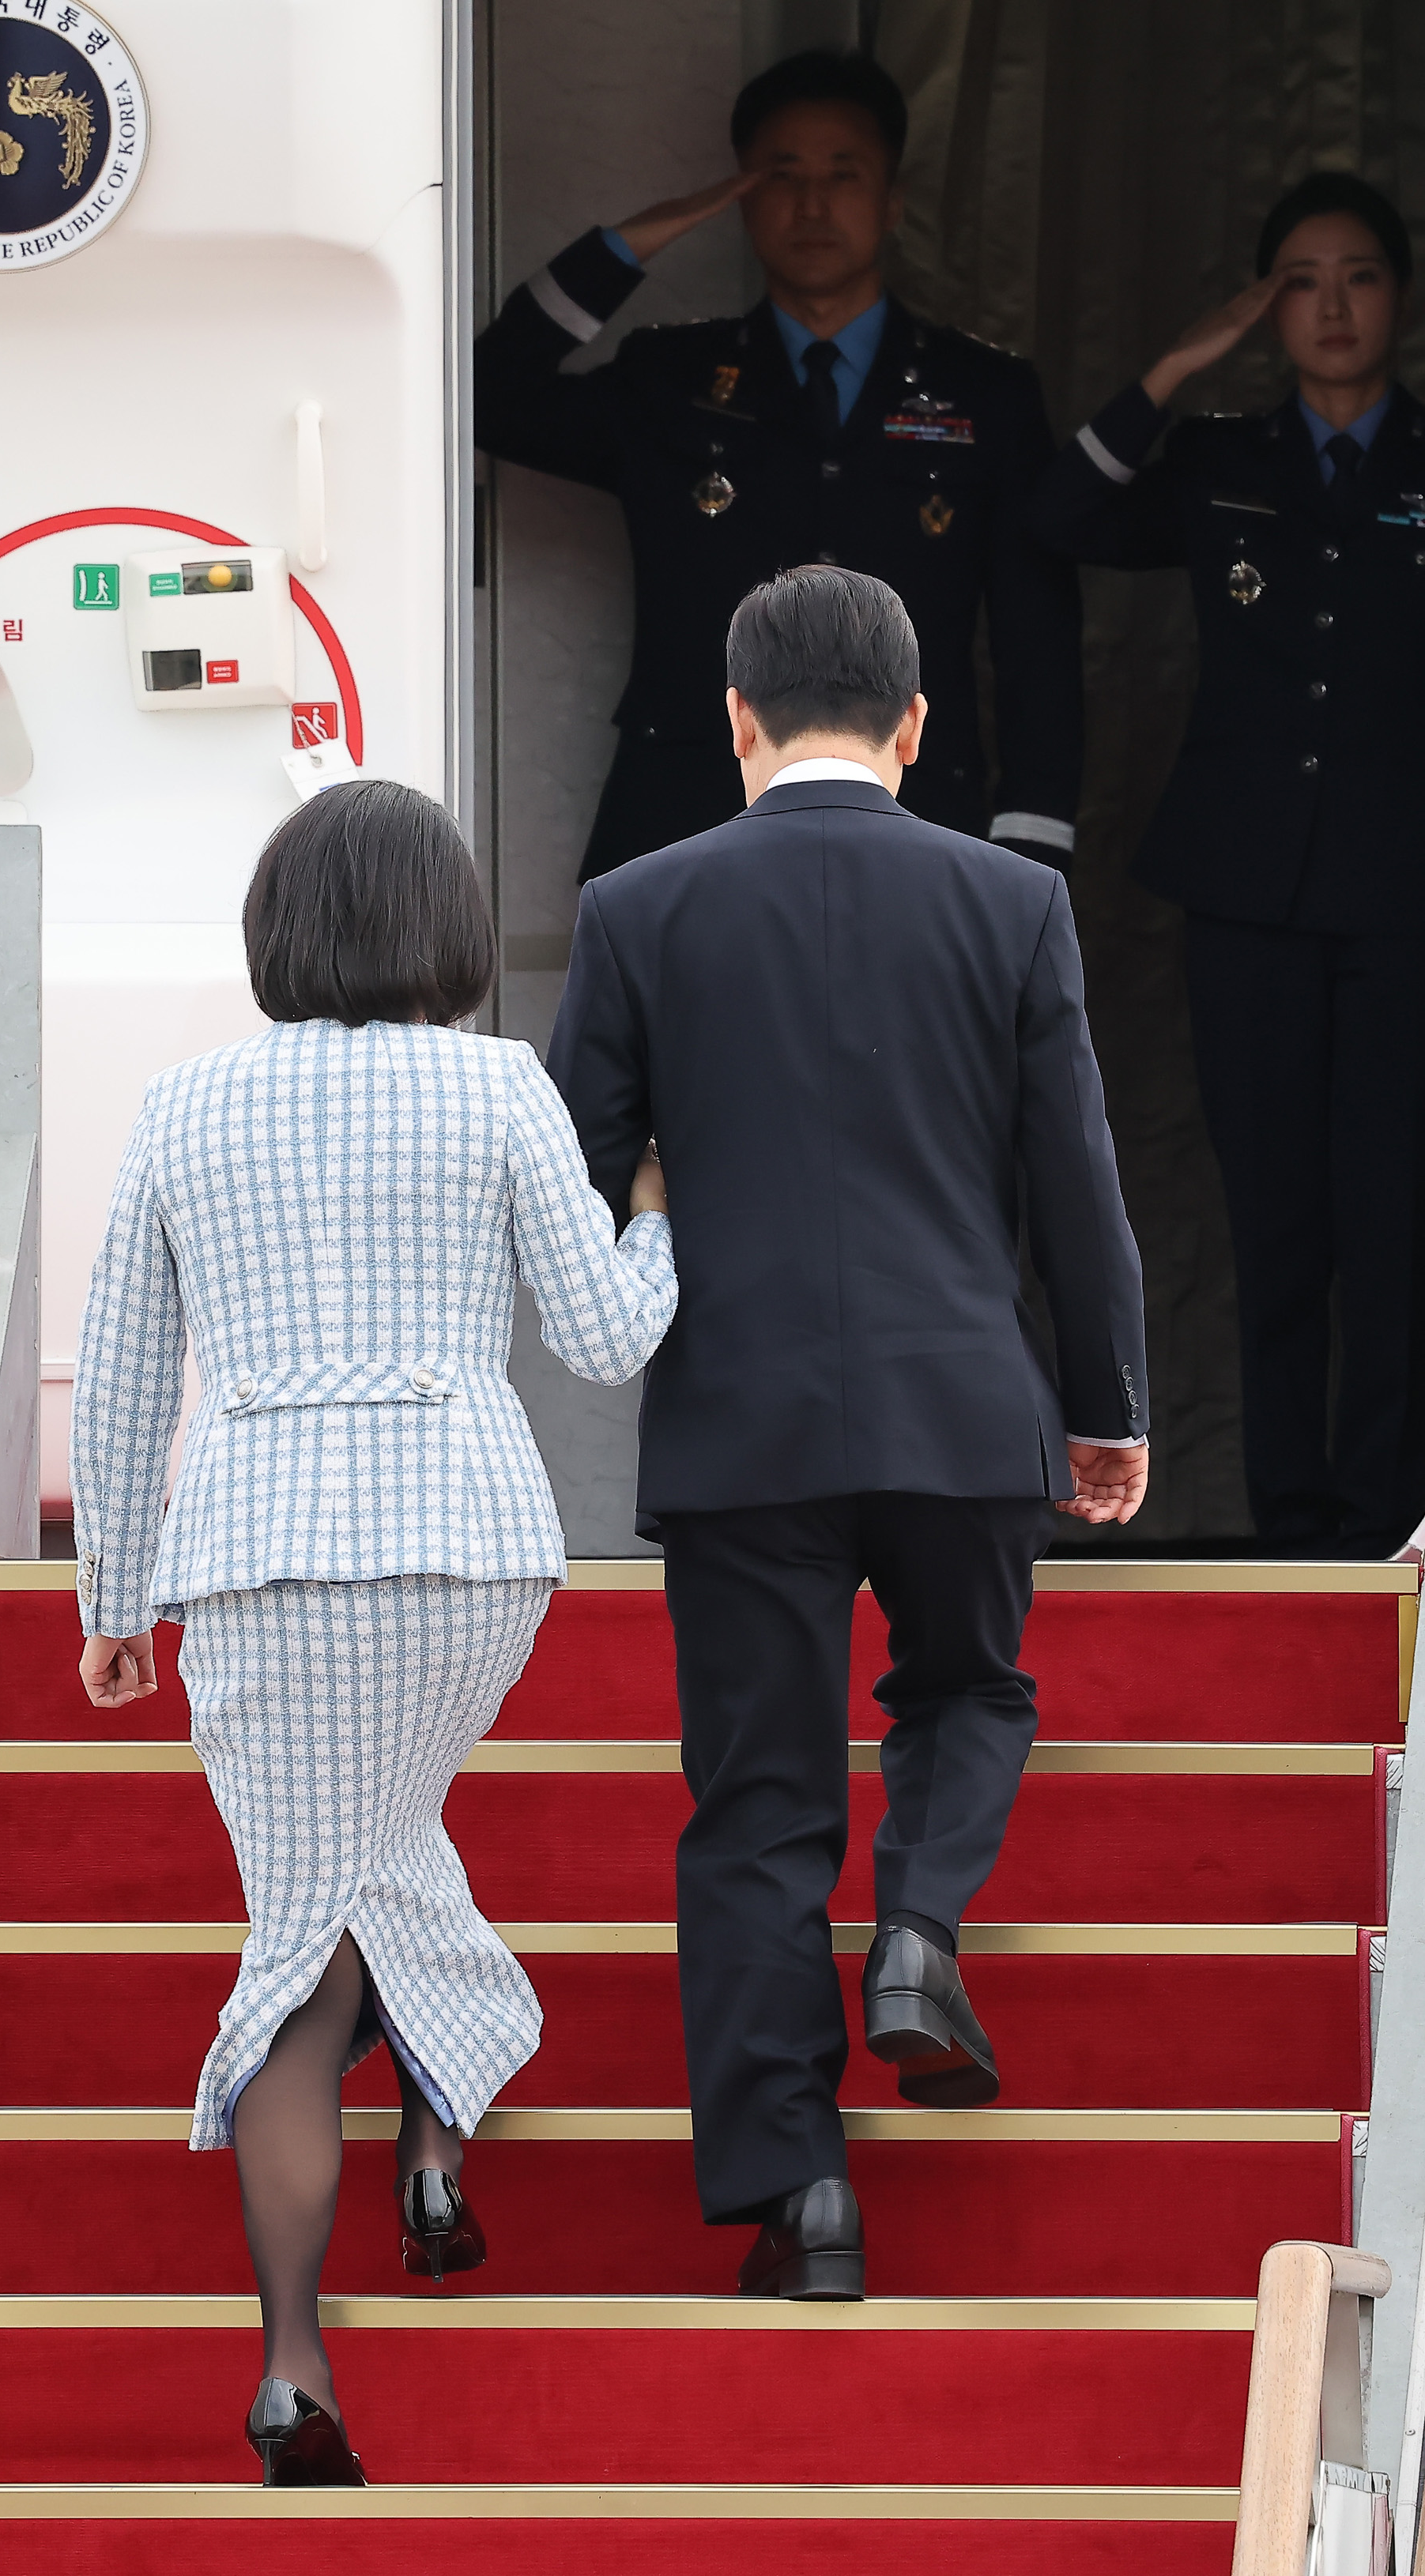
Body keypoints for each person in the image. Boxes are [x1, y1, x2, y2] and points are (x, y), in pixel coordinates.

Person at [547, 565, 1148, 2295]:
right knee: (969, 1687)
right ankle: (916, 1935)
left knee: (754, 1806)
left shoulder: (635, 907)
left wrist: (665, 1199)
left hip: (740, 1425)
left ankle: (797, 2200)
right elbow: (1078, 1188)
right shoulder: (1010, 904)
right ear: (915, 725)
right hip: (963, 1403)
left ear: (734, 720)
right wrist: (1101, 1406)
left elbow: (573, 1174)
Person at [70, 781, 676, 2482]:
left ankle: (289, 2359)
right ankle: (431, 2140)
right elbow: (609, 1337)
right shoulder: (497, 1087)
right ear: (449, 933)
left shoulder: (184, 1106)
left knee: (303, 1918)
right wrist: (655, 1202)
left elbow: (119, 1376)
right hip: (465, 1556)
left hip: (256, 1563)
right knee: (373, 1851)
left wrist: (113, 1599)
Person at [1027, 172, 1425, 1557]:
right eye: (1300, 280)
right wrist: (1185, 358)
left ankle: (1382, 1522)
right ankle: (1293, 1525)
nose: (1331, 304)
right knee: (1275, 1225)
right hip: (1249, 895)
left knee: (1393, 1227)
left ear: (1399, 297)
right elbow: (1063, 511)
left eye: (1360, 274)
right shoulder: (1220, 462)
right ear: (1269, 307)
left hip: (1401, 902)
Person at [475, 47, 1082, 883]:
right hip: (688, 815)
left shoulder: (984, 397)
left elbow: (1035, 643)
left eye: (842, 174)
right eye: (780, 175)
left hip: (916, 821)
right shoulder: (671, 381)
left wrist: (1029, 845)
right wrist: (632, 241)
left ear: (892, 200)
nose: (810, 203)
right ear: (742, 196)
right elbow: (489, 395)